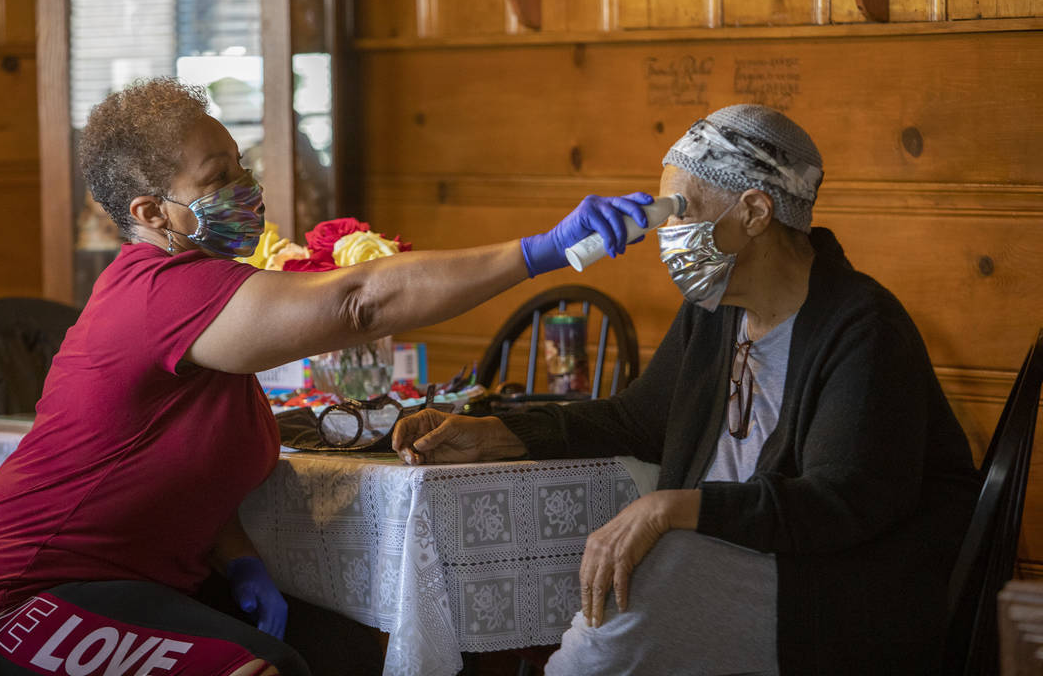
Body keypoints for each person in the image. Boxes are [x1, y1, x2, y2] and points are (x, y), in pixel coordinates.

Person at [0, 77, 656, 676]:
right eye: (219, 178)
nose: (249, 188)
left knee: (340, 649)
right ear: (151, 212)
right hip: (17, 597)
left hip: (126, 583)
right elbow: (359, 300)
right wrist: (542, 250)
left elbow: (181, 471)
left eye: (242, 166)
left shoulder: (207, 301)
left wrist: (239, 559)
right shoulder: (163, 291)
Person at [393, 104, 981, 675]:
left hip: (831, 595)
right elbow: (635, 421)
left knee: (647, 571)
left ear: (755, 212)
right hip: (738, 559)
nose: (666, 233)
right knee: (627, 563)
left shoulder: (862, 327)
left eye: (680, 210)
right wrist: (499, 434)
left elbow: (840, 503)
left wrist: (673, 508)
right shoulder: (716, 309)